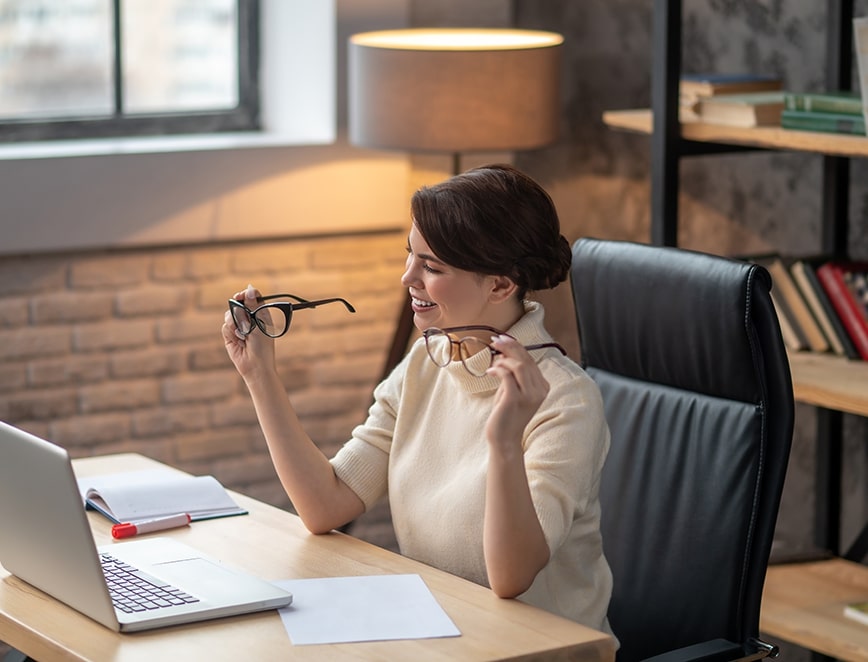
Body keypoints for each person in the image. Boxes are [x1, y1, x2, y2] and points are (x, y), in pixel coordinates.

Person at [222, 164, 614, 637]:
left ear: (500, 285)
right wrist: (260, 375)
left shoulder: (565, 403)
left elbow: (509, 579)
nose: (408, 277)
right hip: (444, 633)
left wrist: (505, 440)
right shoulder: (426, 363)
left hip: (540, 649)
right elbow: (326, 504)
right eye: (411, 256)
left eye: (432, 266)